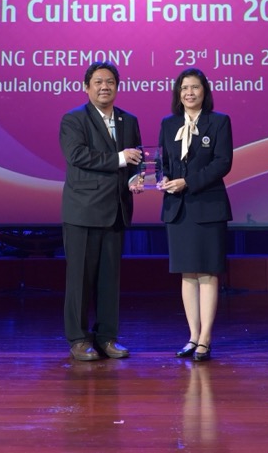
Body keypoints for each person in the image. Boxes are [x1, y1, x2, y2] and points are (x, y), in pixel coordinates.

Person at [60, 61, 144, 361]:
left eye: (110, 82)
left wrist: (136, 179)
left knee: (110, 281)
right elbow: (77, 155)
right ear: (86, 87)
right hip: (83, 211)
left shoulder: (128, 120)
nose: (104, 87)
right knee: (80, 280)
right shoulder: (74, 119)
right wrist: (119, 158)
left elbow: (135, 159)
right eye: (98, 82)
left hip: (116, 210)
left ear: (117, 87)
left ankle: (107, 337)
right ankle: (79, 339)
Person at [157, 68, 233, 362]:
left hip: (208, 207)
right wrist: (161, 178)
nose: (189, 93)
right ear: (178, 93)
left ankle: (205, 338)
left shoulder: (219, 121)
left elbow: (222, 163)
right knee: (187, 273)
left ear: (205, 91)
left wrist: (188, 182)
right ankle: (192, 336)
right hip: (178, 208)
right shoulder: (169, 123)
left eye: (195, 87)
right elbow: (162, 162)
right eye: (184, 88)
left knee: (207, 273)